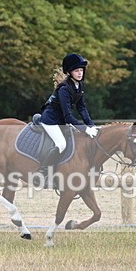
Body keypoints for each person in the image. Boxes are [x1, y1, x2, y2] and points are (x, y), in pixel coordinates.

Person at [36, 53, 99, 184]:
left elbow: (82, 108)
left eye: (81, 70)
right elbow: (68, 116)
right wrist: (84, 129)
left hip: (61, 121)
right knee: (61, 144)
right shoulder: (64, 88)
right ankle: (42, 172)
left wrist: (91, 125)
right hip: (51, 120)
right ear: (69, 72)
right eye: (77, 70)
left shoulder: (79, 86)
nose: (80, 73)